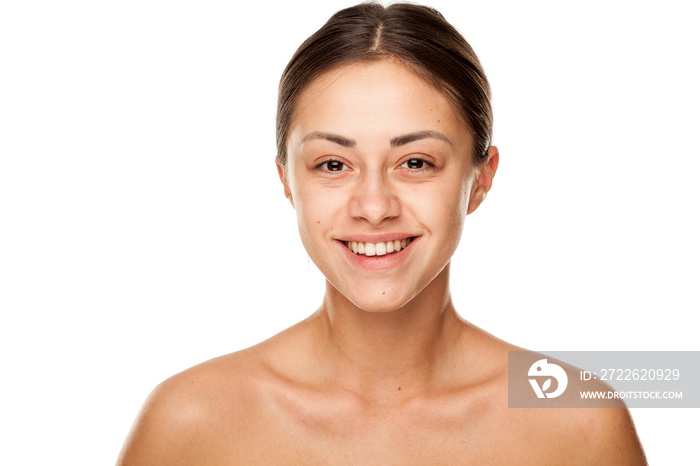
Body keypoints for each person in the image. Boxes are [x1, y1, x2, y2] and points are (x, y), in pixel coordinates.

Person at [117, 2, 647, 464]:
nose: (374, 207)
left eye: (415, 162)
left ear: (480, 178)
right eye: (332, 164)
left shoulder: (579, 423)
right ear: (286, 179)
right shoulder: (189, 423)